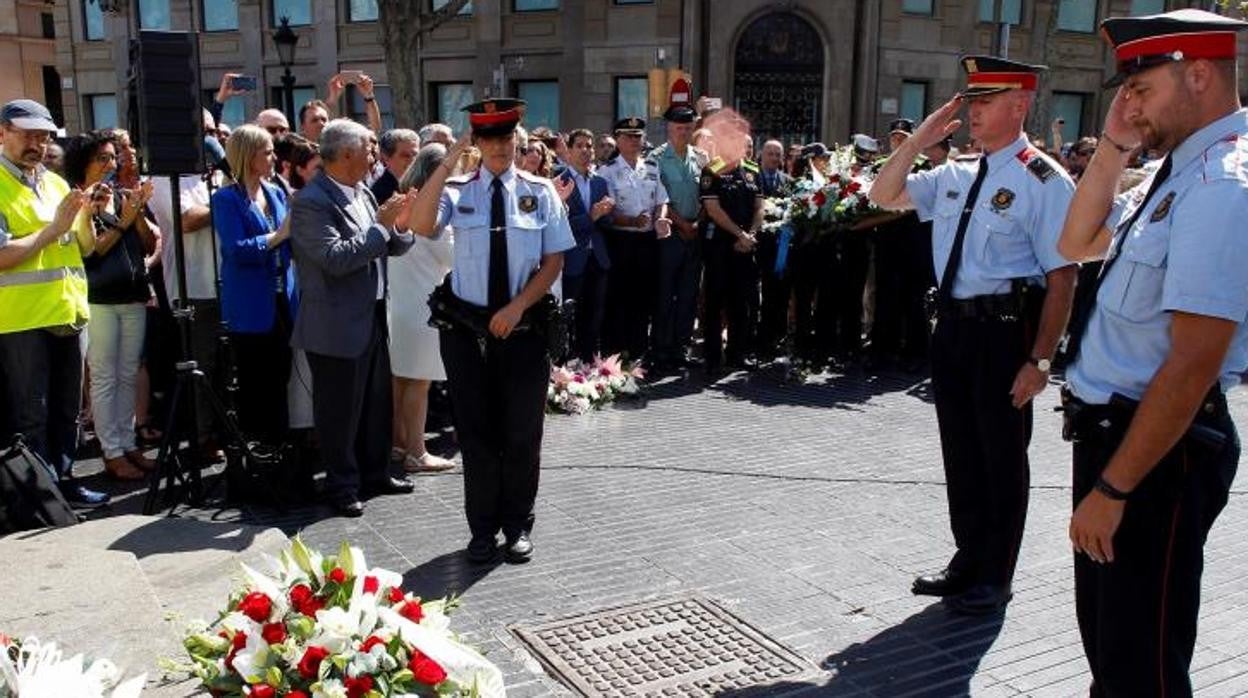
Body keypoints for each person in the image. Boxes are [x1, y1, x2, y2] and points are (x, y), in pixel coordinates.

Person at [1057, 10, 1248, 694]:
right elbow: (1076, 243)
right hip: (1124, 441)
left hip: (1155, 454)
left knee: (1142, 672)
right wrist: (1113, 145)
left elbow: (1193, 362)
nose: (1129, 103)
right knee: (1115, 656)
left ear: (1198, 75)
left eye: (1142, 88)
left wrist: (1115, 488)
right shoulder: (1178, 171)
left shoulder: (1222, 185)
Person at [869, 56, 1078, 615]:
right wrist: (917, 141)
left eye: (986, 102)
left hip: (1005, 335)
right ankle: (968, 557)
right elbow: (882, 195)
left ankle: (996, 573)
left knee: (1003, 457)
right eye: (970, 102)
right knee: (961, 453)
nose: (974, 113)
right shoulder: (957, 172)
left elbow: (1063, 277)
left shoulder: (1042, 180)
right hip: (954, 330)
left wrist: (1040, 361)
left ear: (1020, 104)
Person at [406, 98, 575, 564]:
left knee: (522, 434)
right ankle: (482, 530)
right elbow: (420, 223)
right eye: (489, 139)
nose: (500, 147)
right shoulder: (458, 190)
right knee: (476, 435)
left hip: (524, 330)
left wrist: (519, 306)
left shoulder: (539, 191)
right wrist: (451, 157)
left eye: (506, 138)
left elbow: (554, 259)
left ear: (517, 141)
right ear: (477, 144)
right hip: (467, 334)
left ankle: (518, 524)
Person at [289, 118, 416, 517]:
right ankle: (342, 484)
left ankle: (376, 472)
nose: (374, 155)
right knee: (339, 410)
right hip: (336, 324)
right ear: (346, 154)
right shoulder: (312, 201)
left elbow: (386, 244)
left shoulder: (360, 191)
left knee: (377, 403)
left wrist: (398, 226)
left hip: (372, 312)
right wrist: (381, 227)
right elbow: (335, 258)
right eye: (369, 148)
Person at [0, 99, 105, 506]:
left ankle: (64, 483)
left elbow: (84, 247)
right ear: (3, 133)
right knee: (32, 416)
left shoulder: (56, 183)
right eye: (28, 135)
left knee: (67, 411)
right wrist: (54, 228)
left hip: (68, 313)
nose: (37, 144)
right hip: (21, 319)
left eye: (43, 137)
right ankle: (39, 498)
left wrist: (94, 214)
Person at [65, 130, 158, 481]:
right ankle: (111, 450)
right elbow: (92, 251)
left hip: (133, 295)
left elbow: (149, 245)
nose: (110, 164)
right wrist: (123, 220)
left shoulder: (123, 197)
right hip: (100, 299)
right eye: (101, 158)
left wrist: (134, 213)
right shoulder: (77, 200)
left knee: (128, 372)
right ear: (85, 163)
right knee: (104, 377)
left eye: (112, 157)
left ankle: (127, 440)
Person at [148, 108, 227, 461]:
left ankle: (224, 430)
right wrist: (227, 203)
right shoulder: (164, 177)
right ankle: (201, 437)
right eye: (203, 132)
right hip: (191, 288)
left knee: (224, 366)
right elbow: (186, 220)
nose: (211, 139)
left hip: (225, 284)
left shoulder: (219, 175)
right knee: (200, 366)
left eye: (214, 131)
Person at [212, 125, 293, 447]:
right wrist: (277, 236)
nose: (274, 158)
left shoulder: (275, 192)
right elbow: (234, 249)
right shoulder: (226, 199)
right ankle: (256, 456)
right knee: (254, 382)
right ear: (249, 156)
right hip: (249, 304)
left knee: (280, 378)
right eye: (268, 152)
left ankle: (280, 452)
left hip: (281, 299)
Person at [388, 144, 457, 474]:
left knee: (401, 380)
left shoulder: (402, 198)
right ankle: (417, 451)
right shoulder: (432, 207)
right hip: (423, 305)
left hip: (399, 304)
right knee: (418, 383)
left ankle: (399, 444)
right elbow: (451, 258)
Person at [598, 117, 672, 359]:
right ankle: (616, 355)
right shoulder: (607, 171)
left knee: (644, 298)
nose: (634, 141)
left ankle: (639, 352)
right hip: (621, 242)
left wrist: (661, 218)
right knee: (619, 298)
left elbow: (662, 199)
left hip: (647, 242)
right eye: (628, 136)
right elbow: (607, 210)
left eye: (638, 136)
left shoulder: (651, 167)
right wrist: (630, 221)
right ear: (617, 139)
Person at [699, 138, 762, 374]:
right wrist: (740, 234)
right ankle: (712, 355)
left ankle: (738, 354)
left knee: (741, 302)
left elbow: (760, 206)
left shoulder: (752, 171)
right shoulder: (712, 169)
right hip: (719, 245)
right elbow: (713, 209)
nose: (743, 148)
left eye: (747, 144)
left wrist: (751, 234)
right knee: (714, 301)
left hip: (745, 247)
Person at [651, 104, 704, 372]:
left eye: (687, 127)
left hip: (695, 235)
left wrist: (696, 223)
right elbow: (659, 197)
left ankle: (680, 348)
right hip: (670, 234)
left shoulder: (702, 158)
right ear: (669, 128)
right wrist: (682, 223)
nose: (683, 132)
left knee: (688, 295)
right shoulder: (656, 158)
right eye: (678, 128)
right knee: (665, 294)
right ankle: (660, 349)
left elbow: (708, 194)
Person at [558, 128, 614, 362]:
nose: (585, 151)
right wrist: (591, 216)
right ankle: (566, 365)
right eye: (579, 145)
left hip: (597, 257)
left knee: (594, 314)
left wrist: (607, 212)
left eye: (589, 146)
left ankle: (590, 362)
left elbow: (606, 223)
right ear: (568, 151)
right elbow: (560, 224)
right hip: (572, 259)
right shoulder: (559, 181)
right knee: (570, 316)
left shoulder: (600, 182)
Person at [754, 138, 793, 358]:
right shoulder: (753, 178)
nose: (774, 158)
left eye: (778, 154)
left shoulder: (789, 181)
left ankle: (776, 337)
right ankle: (757, 338)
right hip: (757, 244)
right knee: (757, 296)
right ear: (761, 155)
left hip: (780, 249)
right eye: (770, 153)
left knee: (778, 295)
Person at [372, 129, 421, 205]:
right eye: (405, 156)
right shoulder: (379, 194)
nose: (413, 160)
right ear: (386, 157)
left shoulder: (423, 185)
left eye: (415, 154)